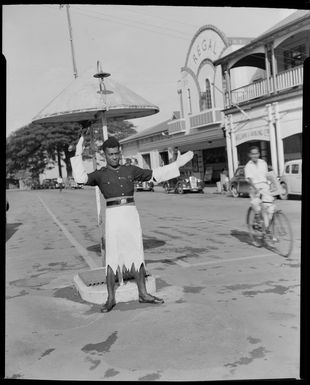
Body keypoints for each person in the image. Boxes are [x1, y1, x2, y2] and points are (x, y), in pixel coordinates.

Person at [70, 135, 193, 313]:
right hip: (113, 216)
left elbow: (154, 175)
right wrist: (78, 152)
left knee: (137, 252)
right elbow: (80, 179)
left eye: (116, 153)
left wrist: (177, 164)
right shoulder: (100, 174)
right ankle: (111, 298)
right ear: (104, 155)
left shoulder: (130, 170)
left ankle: (143, 294)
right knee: (112, 257)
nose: (114, 157)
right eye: (110, 154)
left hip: (130, 214)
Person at [244, 146, 275, 233]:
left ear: (259, 154)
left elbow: (267, 176)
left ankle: (267, 228)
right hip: (255, 187)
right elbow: (249, 179)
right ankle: (257, 217)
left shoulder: (263, 163)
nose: (255, 155)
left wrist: (272, 184)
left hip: (265, 186)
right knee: (256, 205)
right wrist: (255, 188)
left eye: (257, 153)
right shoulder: (248, 166)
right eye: (253, 154)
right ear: (250, 155)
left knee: (270, 207)